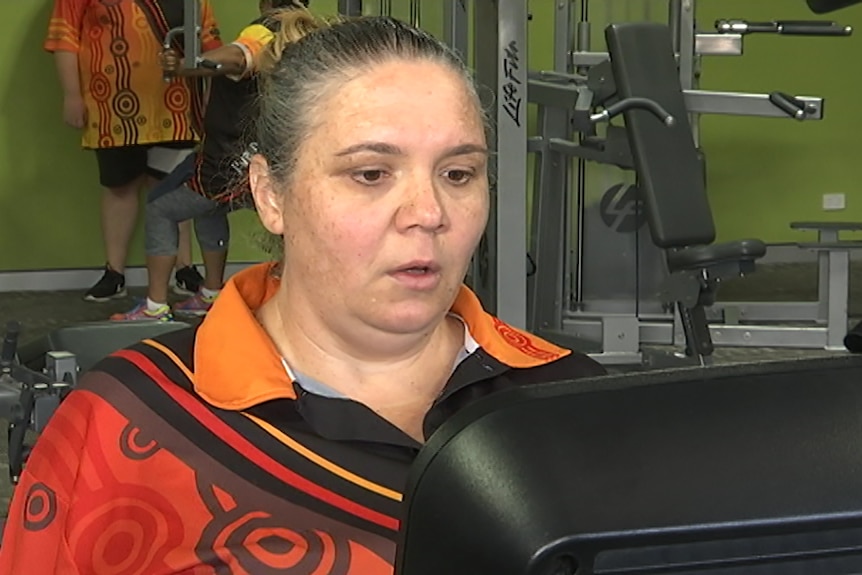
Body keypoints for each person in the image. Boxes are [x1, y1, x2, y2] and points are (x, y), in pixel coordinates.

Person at [0, 11, 607, 574]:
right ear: (269, 194)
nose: (428, 212)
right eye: (370, 173)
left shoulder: (573, 401)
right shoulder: (126, 422)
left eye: (458, 174)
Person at [111, 0, 310, 321]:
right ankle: (212, 294)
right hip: (263, 155)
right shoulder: (303, 33)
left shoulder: (266, 30)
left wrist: (189, 64)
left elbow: (238, 57)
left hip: (231, 158)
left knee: (160, 208)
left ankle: (155, 307)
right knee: (210, 208)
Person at [44, 0, 222, 302]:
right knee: (119, 187)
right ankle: (115, 273)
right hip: (112, 108)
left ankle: (184, 269)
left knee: (174, 189)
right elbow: (65, 39)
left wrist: (211, 98)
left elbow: (209, 44)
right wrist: (72, 95)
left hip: (175, 105)